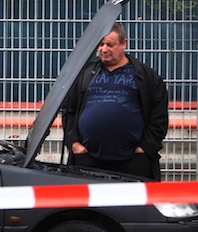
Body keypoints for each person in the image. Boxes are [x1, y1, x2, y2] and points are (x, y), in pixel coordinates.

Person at [62, 22, 169, 180]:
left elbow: (158, 115)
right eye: (101, 44)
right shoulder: (84, 74)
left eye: (110, 44)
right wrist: (74, 144)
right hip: (87, 160)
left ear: (123, 43)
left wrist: (145, 148)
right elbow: (69, 111)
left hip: (133, 163)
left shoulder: (145, 76)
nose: (104, 49)